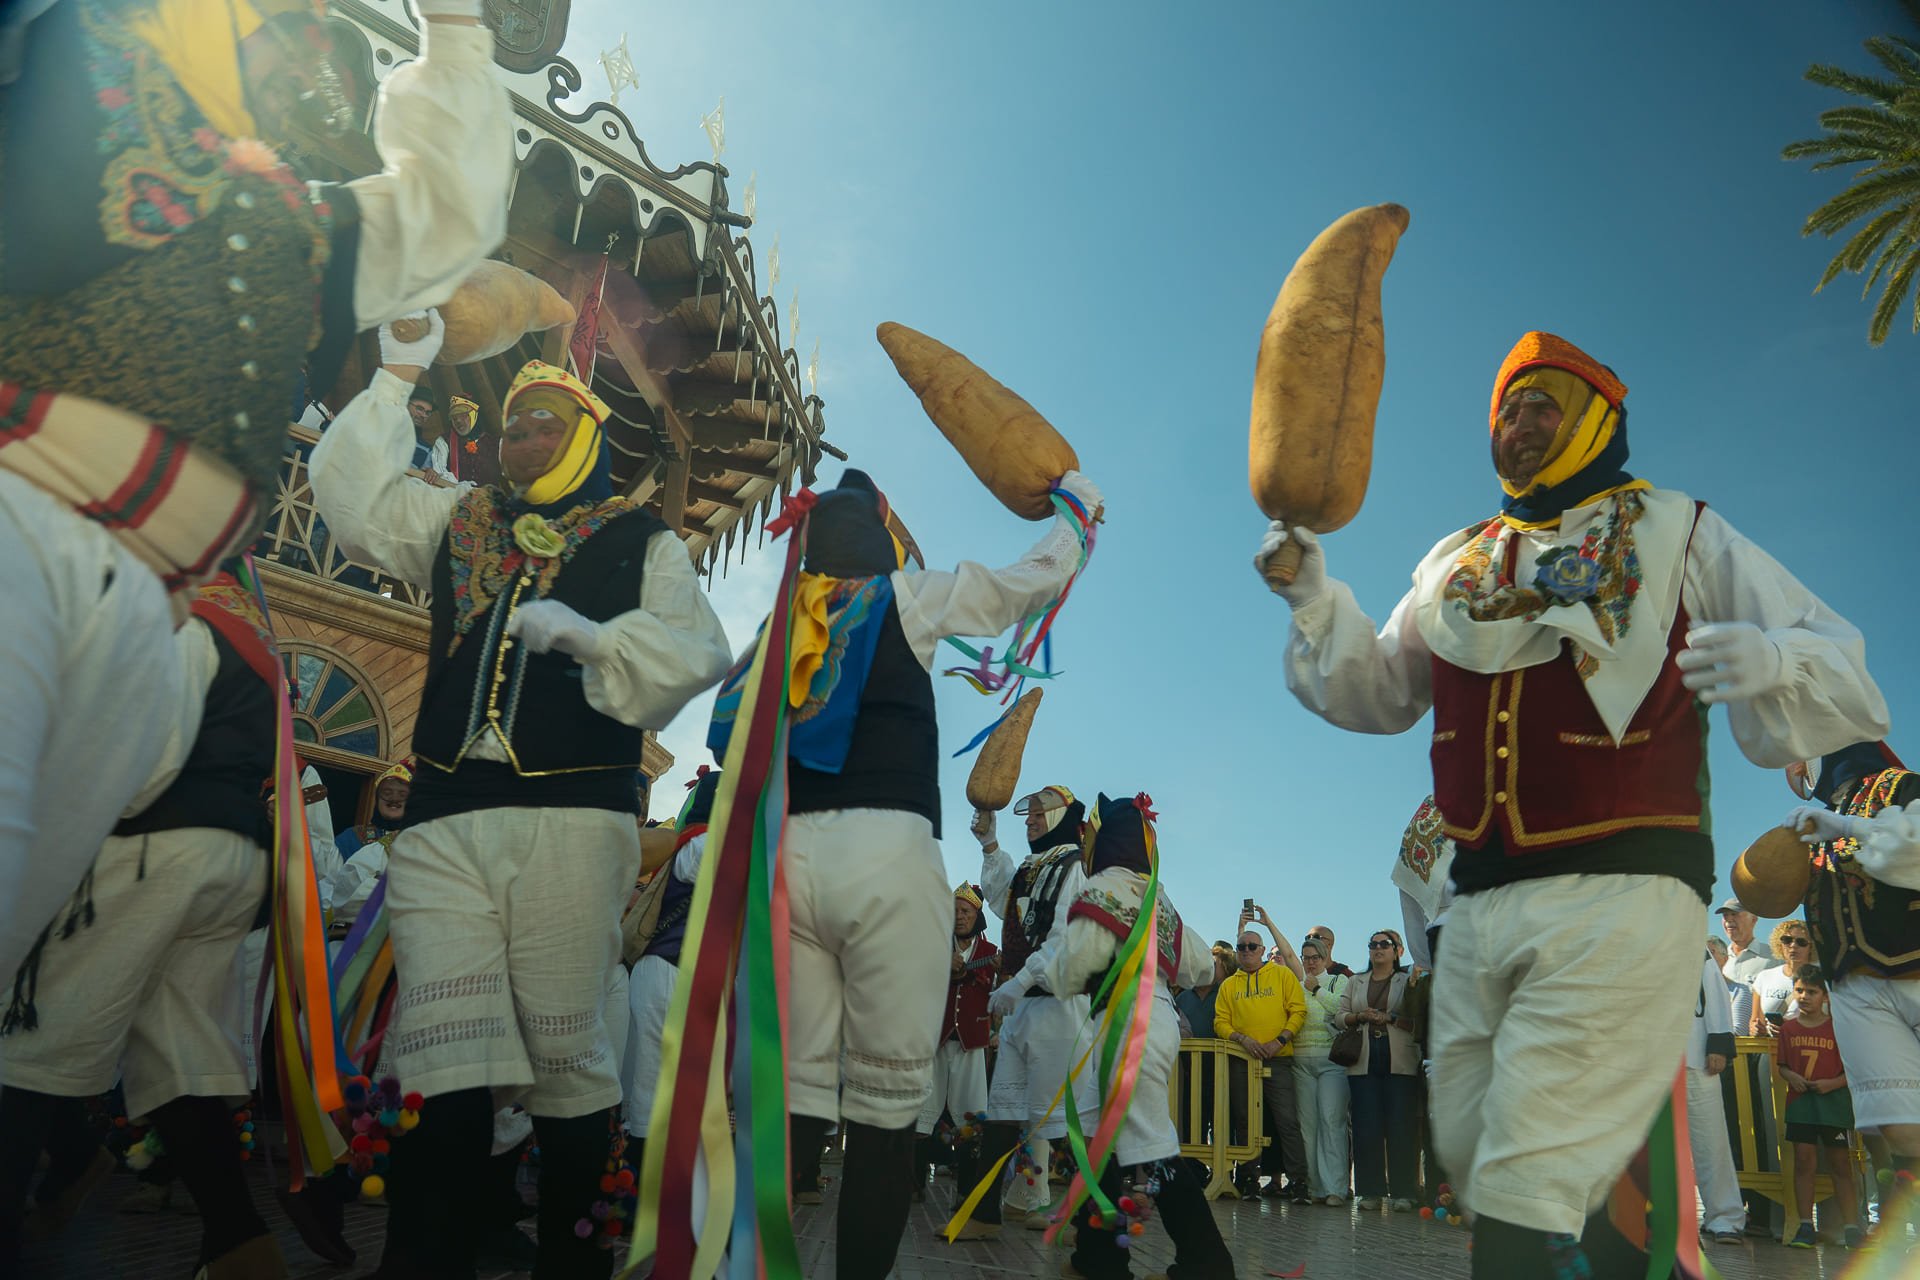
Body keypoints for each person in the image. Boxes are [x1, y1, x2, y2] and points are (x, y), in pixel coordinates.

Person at [1260, 330, 1887, 1277]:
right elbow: (1379, 690)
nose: (1519, 423)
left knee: (1618, 1187)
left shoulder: (1680, 527)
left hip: (1628, 886)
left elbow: (1829, 649)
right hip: (1484, 899)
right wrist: (1314, 598)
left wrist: (1774, 659)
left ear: (1598, 419)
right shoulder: (1455, 563)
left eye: (1543, 403)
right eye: (1506, 409)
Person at [0, 0, 510, 985]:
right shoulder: (68, 48)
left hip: (147, 611)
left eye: (330, 57)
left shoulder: (297, 219)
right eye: (290, 30)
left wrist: (453, 23)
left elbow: (448, 207)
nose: (312, 69)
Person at [309, 321, 733, 1280]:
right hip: (446, 816)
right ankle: (420, 1258)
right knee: (443, 1044)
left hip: (572, 820)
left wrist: (592, 643)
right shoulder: (462, 517)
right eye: (511, 425)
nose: (519, 438)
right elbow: (354, 501)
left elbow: (696, 651)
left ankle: (569, 1262)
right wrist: (397, 370)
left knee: (560, 1050)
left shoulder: (644, 539)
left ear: (586, 437)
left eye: (544, 422)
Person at [713, 465, 1100, 1280]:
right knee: (888, 1104)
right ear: (882, 545)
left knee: (797, 1096)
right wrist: (1077, 513)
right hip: (886, 852)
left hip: (785, 860)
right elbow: (1029, 584)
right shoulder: (906, 596)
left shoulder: (776, 629)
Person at [0, 574, 279, 1275]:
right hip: (231, 856)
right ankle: (239, 1245)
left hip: (156, 848)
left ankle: (39, 1194)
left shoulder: (179, 616)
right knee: (176, 1046)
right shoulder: (247, 623)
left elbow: (144, 765)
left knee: (25, 1042)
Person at [1048, 792, 1235, 1280]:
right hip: (1157, 1018)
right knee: (1094, 1135)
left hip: (1127, 1026)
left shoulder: (1102, 889)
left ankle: (1207, 1265)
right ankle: (1097, 1257)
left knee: (1152, 1144)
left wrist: (1048, 975)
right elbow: (1201, 968)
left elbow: (1072, 972)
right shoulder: (1158, 895)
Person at [1784, 741, 1920, 1230]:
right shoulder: (1816, 823)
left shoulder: (1901, 785)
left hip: (1914, 968)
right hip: (1856, 987)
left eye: (1800, 749)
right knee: (1901, 1128)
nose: (1793, 766)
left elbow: (1917, 847)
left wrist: (1848, 827)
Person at [973, 784, 1093, 1230]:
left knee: (1058, 1118)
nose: (1030, 820)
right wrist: (989, 842)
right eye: (1029, 814)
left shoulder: (1075, 868)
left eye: (1041, 814)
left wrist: (1019, 981)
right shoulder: (1030, 865)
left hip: (1059, 1008)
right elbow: (1004, 903)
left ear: (1064, 817)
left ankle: (1092, 1222)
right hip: (1022, 1007)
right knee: (1004, 1110)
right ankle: (987, 1213)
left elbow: (1065, 939)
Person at [620, 769, 720, 1178]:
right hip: (667, 973)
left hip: (678, 977)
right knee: (650, 1084)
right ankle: (637, 1187)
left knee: (665, 1085)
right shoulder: (703, 844)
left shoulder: (699, 843)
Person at [1213, 925, 1309, 1203]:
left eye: (1252, 947)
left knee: (1287, 1121)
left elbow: (1298, 1010)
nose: (1246, 952)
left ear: (1263, 950)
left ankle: (1298, 1181)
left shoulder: (1281, 975)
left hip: (1278, 1060)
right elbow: (1220, 1021)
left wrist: (1279, 1040)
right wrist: (1242, 1039)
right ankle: (1248, 1180)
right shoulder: (1229, 985)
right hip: (1242, 1061)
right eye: (1241, 947)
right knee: (1244, 1121)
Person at [921, 883, 997, 1231]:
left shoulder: (992, 952)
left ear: (977, 916)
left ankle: (967, 1192)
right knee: (923, 1111)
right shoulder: (934, 948)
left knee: (972, 1117)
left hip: (972, 1041)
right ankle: (912, 1184)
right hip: (937, 1039)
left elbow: (989, 986)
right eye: (955, 911)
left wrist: (964, 971)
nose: (960, 916)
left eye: (966, 912)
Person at [1777, 965, 1860, 1250]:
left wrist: (1832, 1084)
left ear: (1825, 995)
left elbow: (1852, 1069)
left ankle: (1852, 1227)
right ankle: (1804, 1226)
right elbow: (1783, 1066)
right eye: (1799, 990)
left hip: (1834, 1104)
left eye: (1811, 992)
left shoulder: (1838, 1027)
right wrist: (1792, 1077)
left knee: (1840, 1164)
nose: (1804, 996)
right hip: (1801, 1105)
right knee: (1803, 1163)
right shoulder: (1788, 1029)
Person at [1336, 930, 1420, 1212]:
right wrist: (1359, 1016)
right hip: (1363, 1060)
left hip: (1399, 1059)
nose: (1378, 949)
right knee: (1365, 1127)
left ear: (1397, 950)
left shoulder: (1407, 980)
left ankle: (1404, 1192)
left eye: (1385, 944)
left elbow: (1416, 1015)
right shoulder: (1355, 981)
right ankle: (1370, 1192)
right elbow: (1339, 1016)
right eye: (1373, 944)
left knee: (1401, 1126)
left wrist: (1389, 1017)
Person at [1686, 948, 1745, 1245]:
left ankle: (1724, 1217)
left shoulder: (1696, 945)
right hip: (1647, 1055)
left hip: (1695, 1053)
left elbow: (1715, 992)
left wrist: (1719, 1043)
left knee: (1710, 1138)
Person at [1294, 935, 1352, 1205]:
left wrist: (1317, 989)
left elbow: (1341, 1009)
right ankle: (1314, 1187)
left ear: (1324, 957)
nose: (1310, 963)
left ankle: (1336, 1189)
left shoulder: (1337, 980)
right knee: (1308, 1126)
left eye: (1314, 958)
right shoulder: (1296, 985)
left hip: (1331, 1059)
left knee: (1332, 1121)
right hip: (1300, 1059)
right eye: (1305, 958)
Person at [1751, 920, 1814, 1036]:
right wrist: (1757, 1029)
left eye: (1801, 942)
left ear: (1811, 947)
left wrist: (1792, 1029)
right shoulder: (1764, 977)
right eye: (1787, 940)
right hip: (1771, 1050)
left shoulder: (1822, 979)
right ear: (1779, 944)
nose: (1793, 946)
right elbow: (1754, 1021)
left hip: (1807, 1048)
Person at [1718, 902, 1778, 986]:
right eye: (1725, 915)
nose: (1729, 919)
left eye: (1734, 914)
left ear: (1753, 919)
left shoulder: (1774, 957)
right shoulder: (1717, 958)